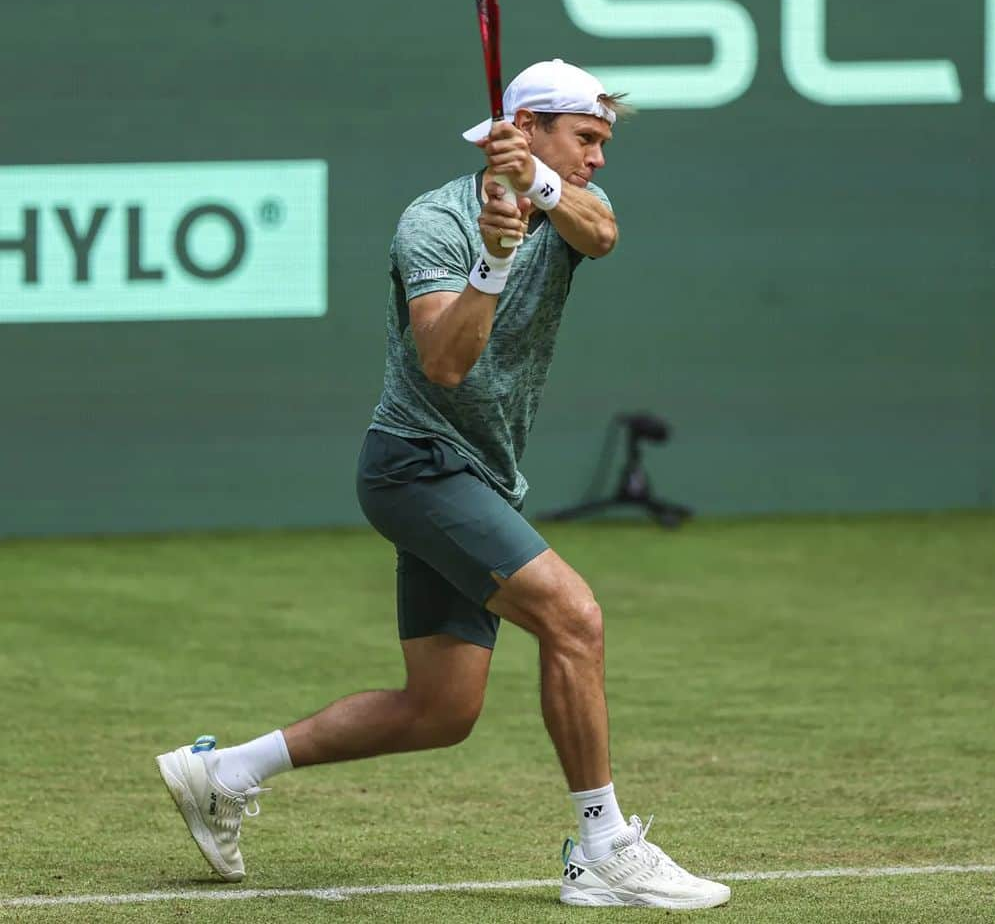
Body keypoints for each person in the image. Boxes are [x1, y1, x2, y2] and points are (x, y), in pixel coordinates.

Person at [156, 59, 731, 911]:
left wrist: (535, 183)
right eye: (586, 139)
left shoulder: (569, 202)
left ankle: (222, 773)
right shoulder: (433, 221)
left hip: (484, 477)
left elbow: (600, 235)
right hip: (416, 463)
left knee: (440, 711)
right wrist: (491, 262)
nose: (599, 160)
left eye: (603, 143)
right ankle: (603, 848)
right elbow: (446, 362)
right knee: (574, 618)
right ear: (529, 122)